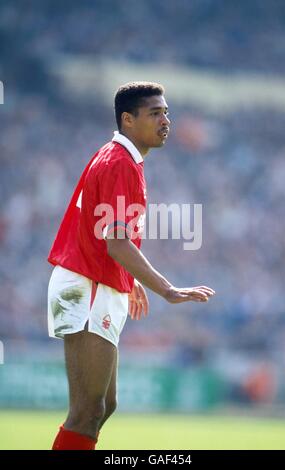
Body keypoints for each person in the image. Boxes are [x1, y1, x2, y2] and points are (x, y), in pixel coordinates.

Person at [48, 81, 215, 450]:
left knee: (104, 406)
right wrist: (167, 290)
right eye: (155, 113)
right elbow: (116, 242)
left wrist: (128, 277)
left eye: (166, 112)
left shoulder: (118, 158)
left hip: (96, 281)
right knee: (88, 411)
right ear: (128, 119)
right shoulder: (121, 163)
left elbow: (99, 233)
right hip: (87, 286)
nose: (166, 120)